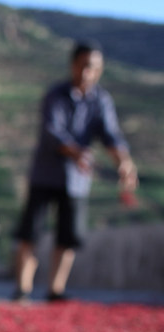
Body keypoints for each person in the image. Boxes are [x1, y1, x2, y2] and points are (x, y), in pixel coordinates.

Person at [13, 40, 137, 302]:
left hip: (77, 181)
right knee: (30, 233)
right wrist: (77, 153)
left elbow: (111, 135)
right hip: (45, 175)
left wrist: (124, 163)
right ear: (72, 65)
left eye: (93, 68)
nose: (87, 73)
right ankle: (23, 288)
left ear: (100, 70)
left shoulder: (101, 100)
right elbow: (52, 132)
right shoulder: (55, 95)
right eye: (83, 66)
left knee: (67, 237)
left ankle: (55, 290)